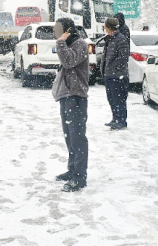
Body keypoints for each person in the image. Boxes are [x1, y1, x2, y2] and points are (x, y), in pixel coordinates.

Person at [52, 17, 89, 192]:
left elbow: (68, 61)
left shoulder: (79, 44)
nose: (55, 32)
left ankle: (80, 178)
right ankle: (72, 170)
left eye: (58, 29)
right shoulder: (69, 44)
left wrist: (60, 43)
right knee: (69, 136)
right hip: (66, 96)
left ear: (67, 30)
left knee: (77, 138)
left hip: (76, 97)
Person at [101, 18, 130, 130]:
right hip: (109, 75)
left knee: (119, 100)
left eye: (105, 25)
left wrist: (112, 67)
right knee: (112, 99)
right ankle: (115, 119)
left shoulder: (120, 39)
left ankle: (121, 121)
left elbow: (123, 57)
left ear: (108, 27)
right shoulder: (110, 39)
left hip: (117, 76)